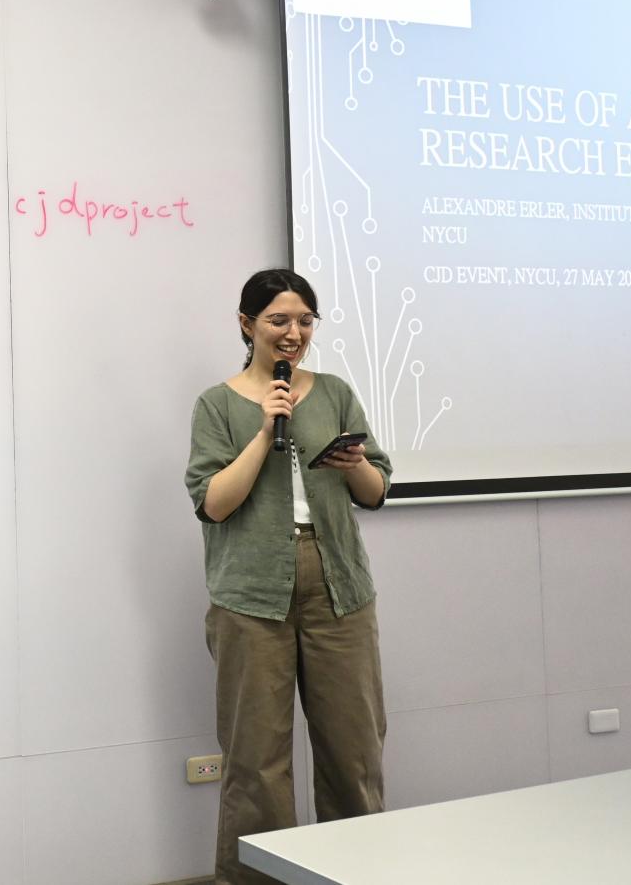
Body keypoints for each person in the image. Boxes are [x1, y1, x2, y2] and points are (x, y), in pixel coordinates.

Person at [184, 268, 392, 885]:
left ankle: (357, 874)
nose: (293, 332)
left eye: (305, 320)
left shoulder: (334, 392)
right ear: (247, 324)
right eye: (279, 320)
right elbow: (213, 502)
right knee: (257, 763)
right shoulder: (217, 404)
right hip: (250, 594)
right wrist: (264, 430)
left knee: (354, 751)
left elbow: (375, 490)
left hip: (340, 587)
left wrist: (354, 464)